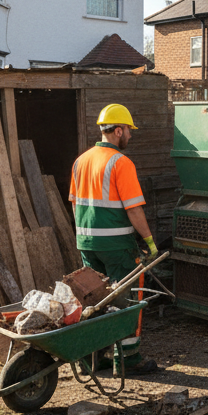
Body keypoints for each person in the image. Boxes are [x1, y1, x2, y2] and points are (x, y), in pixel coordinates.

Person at [70, 103, 158, 372]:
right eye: (129, 130)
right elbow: (134, 208)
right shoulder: (121, 163)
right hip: (116, 244)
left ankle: (94, 356)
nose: (130, 135)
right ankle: (127, 359)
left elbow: (75, 203)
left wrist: (86, 235)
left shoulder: (81, 160)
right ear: (118, 131)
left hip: (87, 242)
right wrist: (151, 242)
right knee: (124, 299)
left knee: (94, 299)